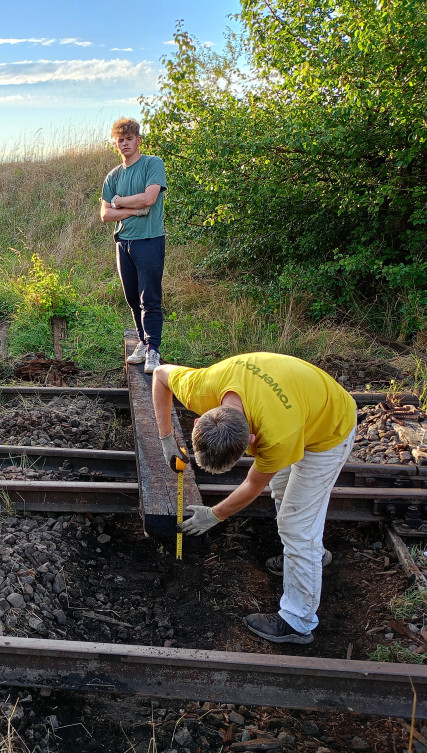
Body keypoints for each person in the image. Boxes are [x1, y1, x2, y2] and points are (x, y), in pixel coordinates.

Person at [152, 352, 356, 645]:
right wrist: (166, 439)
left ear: (251, 440)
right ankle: (309, 560)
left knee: (296, 526)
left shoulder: (277, 435)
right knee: (285, 496)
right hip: (301, 403)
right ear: (199, 420)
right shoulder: (200, 385)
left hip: (329, 427)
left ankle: (297, 622)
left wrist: (213, 515)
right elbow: (160, 374)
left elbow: (252, 485)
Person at [100, 117, 168, 374]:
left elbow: (149, 198)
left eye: (129, 139)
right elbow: (105, 215)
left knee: (149, 298)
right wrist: (132, 211)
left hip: (149, 240)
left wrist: (119, 203)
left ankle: (153, 351)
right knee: (131, 298)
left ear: (138, 141)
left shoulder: (153, 164)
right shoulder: (113, 176)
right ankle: (142, 342)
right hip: (123, 242)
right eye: (121, 140)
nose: (125, 143)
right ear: (115, 144)